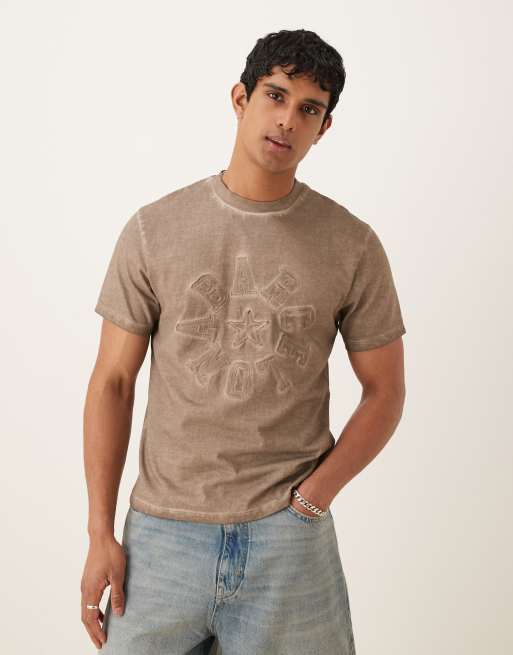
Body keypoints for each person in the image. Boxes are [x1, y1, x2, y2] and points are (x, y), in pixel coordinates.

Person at [81, 28, 406, 654]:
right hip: (162, 538)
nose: (287, 121)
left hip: (290, 541)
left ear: (324, 127)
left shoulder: (351, 244)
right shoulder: (154, 230)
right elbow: (112, 382)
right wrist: (100, 532)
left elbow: (386, 390)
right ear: (240, 98)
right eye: (275, 96)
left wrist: (313, 499)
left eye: (308, 109)